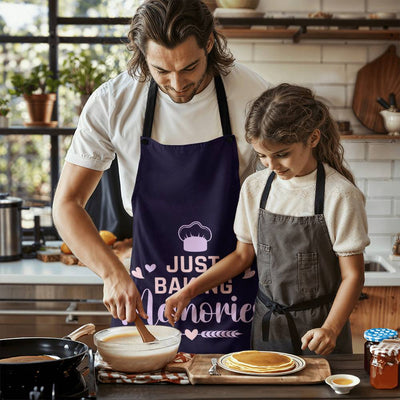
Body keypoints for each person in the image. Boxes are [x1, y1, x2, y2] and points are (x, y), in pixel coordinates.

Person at [52, 0, 269, 353]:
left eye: (190, 67)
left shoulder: (254, 97)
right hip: (147, 296)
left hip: (234, 298)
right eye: (161, 71)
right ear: (141, 53)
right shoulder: (113, 102)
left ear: (210, 43)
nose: (177, 83)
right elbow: (66, 204)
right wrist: (111, 274)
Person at [165, 83, 370, 355]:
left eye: (281, 154)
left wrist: (330, 329)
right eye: (262, 155)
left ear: (312, 138)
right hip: (267, 328)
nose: (271, 165)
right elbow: (241, 257)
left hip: (319, 332)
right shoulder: (255, 187)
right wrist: (188, 291)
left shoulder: (341, 195)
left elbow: (353, 275)